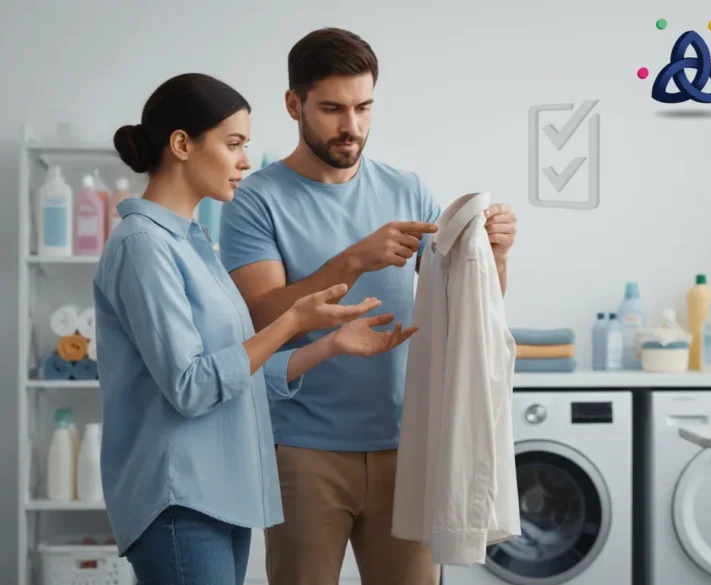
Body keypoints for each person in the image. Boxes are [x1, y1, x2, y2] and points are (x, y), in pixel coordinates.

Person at [219, 28, 518, 585]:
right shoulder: (254, 200)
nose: (350, 126)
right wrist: (352, 260)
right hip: (304, 450)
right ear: (294, 105)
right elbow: (259, 317)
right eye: (331, 108)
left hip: (408, 447)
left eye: (363, 107)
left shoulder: (409, 190)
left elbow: (467, 315)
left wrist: (496, 257)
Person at [94, 72, 418, 585]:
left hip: (221, 494)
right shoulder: (143, 246)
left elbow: (238, 369)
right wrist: (293, 319)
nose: (245, 160)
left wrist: (329, 344)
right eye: (233, 144)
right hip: (177, 498)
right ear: (182, 145)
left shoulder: (192, 243)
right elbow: (192, 386)